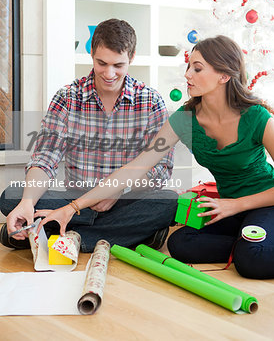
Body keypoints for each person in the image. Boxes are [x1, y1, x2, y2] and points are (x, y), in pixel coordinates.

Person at [22, 34, 274, 279]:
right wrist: (72, 207)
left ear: (224, 75)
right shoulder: (184, 119)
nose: (188, 74)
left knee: (250, 261)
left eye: (198, 68)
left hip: (270, 204)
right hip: (228, 209)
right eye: (189, 66)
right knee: (181, 244)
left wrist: (236, 206)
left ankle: (256, 249)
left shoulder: (257, 117)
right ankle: (259, 246)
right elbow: (136, 167)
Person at [0, 18, 178, 252]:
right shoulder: (67, 97)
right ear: (91, 53)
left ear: (131, 58)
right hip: (74, 198)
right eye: (101, 63)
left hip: (122, 199)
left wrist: (118, 190)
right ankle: (127, 237)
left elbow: (159, 170)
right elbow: (44, 159)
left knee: (167, 201)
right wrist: (27, 202)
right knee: (11, 196)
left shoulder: (151, 101)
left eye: (118, 65)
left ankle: (54, 232)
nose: (109, 73)